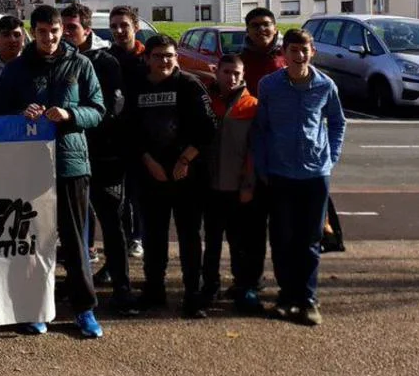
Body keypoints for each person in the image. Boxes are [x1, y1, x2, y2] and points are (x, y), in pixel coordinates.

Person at [0, 5, 105, 339]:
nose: (49, 37)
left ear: (62, 30)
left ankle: (84, 309)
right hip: (30, 164)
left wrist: (70, 115)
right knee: (33, 241)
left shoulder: (81, 64)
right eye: (42, 32)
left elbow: (98, 110)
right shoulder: (16, 69)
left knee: (75, 240)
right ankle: (34, 307)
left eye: (54, 31)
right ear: (33, 32)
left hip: (71, 163)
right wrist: (21, 113)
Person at [251, 28, 345, 327]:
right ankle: (287, 296)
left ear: (312, 52)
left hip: (315, 175)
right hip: (280, 173)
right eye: (293, 50)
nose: (299, 55)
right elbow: (261, 129)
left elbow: (337, 123)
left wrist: (330, 157)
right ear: (284, 53)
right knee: (282, 239)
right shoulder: (269, 85)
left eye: (305, 50)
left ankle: (308, 299)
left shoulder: (325, 85)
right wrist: (262, 166)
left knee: (310, 240)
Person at [123, 35, 217, 318]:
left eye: (169, 55)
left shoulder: (190, 85)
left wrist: (185, 159)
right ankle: (154, 289)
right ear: (147, 58)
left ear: (177, 57)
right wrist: (148, 161)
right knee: (153, 235)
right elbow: (128, 130)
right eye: (158, 56)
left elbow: (208, 128)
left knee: (189, 235)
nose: (164, 61)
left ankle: (192, 293)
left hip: (186, 174)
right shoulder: (136, 86)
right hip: (151, 174)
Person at [60, 3, 135, 314]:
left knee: (112, 222)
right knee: (72, 225)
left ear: (87, 30)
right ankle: (76, 282)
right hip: (69, 155)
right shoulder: (56, 60)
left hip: (104, 155)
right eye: (63, 27)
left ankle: (122, 287)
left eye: (72, 28)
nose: (66, 33)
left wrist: (80, 122)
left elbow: (113, 108)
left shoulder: (106, 62)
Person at [202, 54, 264, 313]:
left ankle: (243, 285)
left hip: (238, 186)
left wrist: (248, 183)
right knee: (212, 241)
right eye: (226, 72)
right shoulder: (207, 101)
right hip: (210, 186)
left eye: (237, 72)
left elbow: (255, 149)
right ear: (217, 72)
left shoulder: (252, 106)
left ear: (243, 74)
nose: (232, 77)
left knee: (239, 242)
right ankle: (210, 285)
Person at [107, 5, 146, 258]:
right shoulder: (107, 59)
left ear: (136, 27)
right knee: (116, 194)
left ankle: (138, 237)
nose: (119, 31)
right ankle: (121, 237)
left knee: (138, 193)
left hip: (143, 136)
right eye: (114, 26)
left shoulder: (148, 58)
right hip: (114, 137)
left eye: (124, 25)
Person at [240, 8, 286, 98]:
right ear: (247, 31)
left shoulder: (290, 56)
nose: (261, 29)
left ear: (275, 29)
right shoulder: (240, 61)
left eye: (266, 24)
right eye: (255, 25)